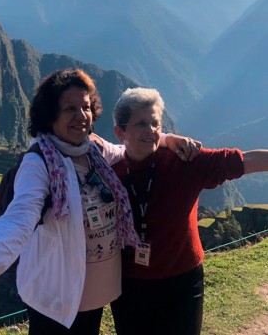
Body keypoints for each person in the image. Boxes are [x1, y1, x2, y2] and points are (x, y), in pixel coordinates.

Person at [0, 69, 198, 334]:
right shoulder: (39, 163)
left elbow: (129, 147)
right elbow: (20, 218)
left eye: (86, 107)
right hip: (58, 298)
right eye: (70, 109)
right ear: (50, 115)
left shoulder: (94, 149)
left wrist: (167, 139)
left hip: (93, 296)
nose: (81, 116)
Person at [110, 87, 268, 335]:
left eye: (155, 123)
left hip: (182, 282)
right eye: (141, 124)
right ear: (120, 132)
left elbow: (240, 161)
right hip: (130, 285)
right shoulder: (110, 172)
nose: (151, 130)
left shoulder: (183, 161)